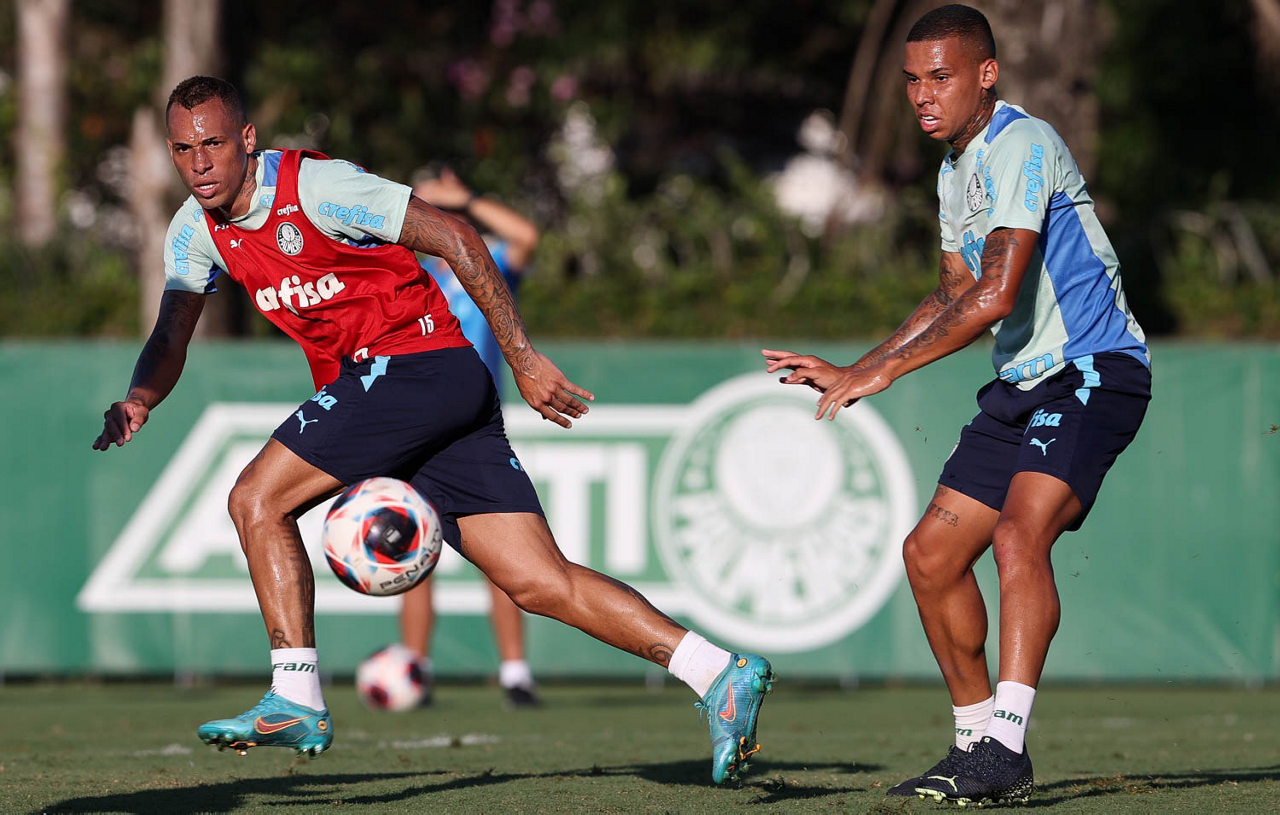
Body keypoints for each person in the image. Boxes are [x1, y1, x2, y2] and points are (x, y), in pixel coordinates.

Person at [92, 75, 774, 785]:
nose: (200, 162)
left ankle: (295, 693)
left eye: (213, 144)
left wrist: (523, 357)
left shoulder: (319, 187)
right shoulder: (193, 230)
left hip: (414, 366)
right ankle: (718, 671)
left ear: (247, 138)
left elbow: (456, 237)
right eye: (183, 149)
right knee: (539, 582)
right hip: (426, 391)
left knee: (255, 500)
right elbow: (171, 332)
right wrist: (141, 397)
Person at [764, 4, 1149, 806]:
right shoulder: (953, 170)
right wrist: (858, 365)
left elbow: (995, 295)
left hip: (1091, 369)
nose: (922, 94)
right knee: (930, 557)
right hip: (1022, 385)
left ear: (987, 73)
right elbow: (950, 292)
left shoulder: (1023, 143)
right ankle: (974, 745)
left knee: (1017, 534)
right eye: (913, 80)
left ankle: (1006, 744)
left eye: (940, 76)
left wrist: (888, 373)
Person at [398, 167, 542, 708]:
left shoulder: (486, 263)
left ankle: (515, 673)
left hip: (475, 428)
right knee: (413, 552)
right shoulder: (408, 272)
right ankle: (414, 670)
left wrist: (468, 200)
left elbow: (527, 236)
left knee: (503, 555)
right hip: (414, 430)